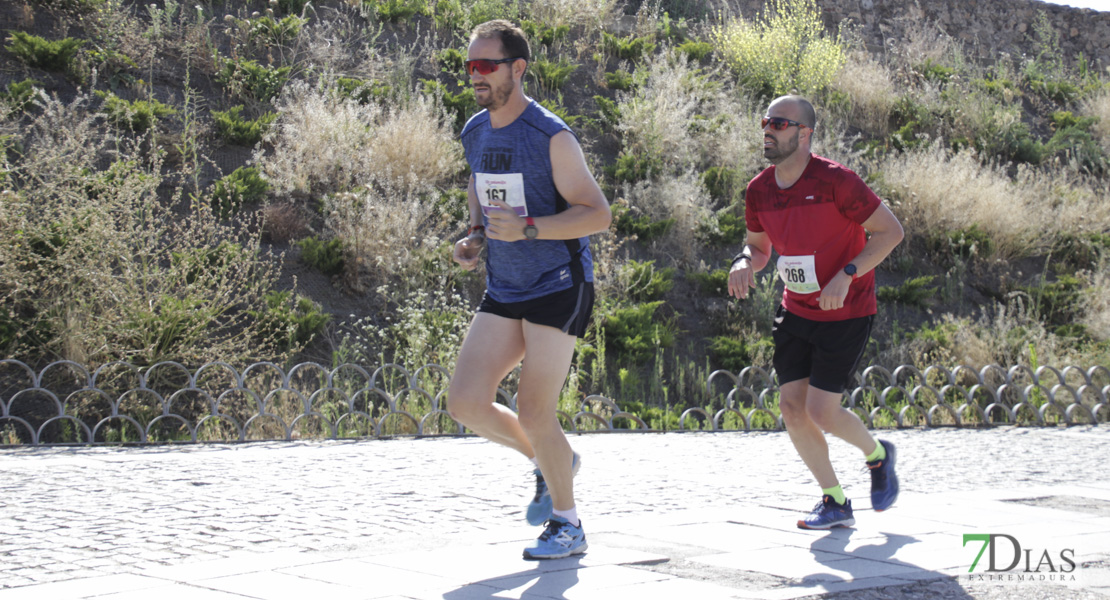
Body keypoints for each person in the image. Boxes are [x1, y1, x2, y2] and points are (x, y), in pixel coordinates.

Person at [446, 20, 611, 559]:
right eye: (470, 65)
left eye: (486, 65)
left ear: (517, 69)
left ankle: (569, 525)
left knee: (535, 409)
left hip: (559, 284)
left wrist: (531, 227)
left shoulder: (551, 136)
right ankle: (552, 459)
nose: (476, 75)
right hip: (506, 285)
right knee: (466, 402)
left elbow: (598, 215)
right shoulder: (475, 129)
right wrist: (474, 233)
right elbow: (478, 179)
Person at [727, 95, 904, 530]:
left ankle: (878, 456)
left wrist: (847, 274)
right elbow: (759, 247)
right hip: (797, 309)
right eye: (765, 121)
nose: (768, 130)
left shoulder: (837, 181)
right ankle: (834, 500)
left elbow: (890, 232)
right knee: (792, 408)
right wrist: (744, 261)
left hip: (847, 308)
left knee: (822, 411)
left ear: (805, 134)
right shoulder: (758, 190)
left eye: (780, 124)